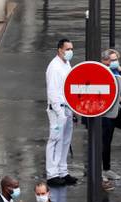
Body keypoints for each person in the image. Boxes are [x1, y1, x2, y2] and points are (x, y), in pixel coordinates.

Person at [45, 39, 77, 188]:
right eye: (67, 49)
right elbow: (53, 92)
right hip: (57, 110)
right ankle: (52, 174)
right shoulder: (54, 67)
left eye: (71, 48)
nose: (70, 51)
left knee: (65, 140)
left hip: (67, 107)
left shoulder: (66, 64)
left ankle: (62, 171)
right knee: (55, 140)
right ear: (59, 50)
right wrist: (59, 112)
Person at [101, 49, 121, 183]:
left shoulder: (117, 72)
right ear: (104, 60)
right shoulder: (102, 72)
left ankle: (106, 168)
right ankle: (99, 170)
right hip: (103, 114)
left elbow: (119, 89)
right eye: (112, 60)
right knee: (102, 142)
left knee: (107, 142)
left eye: (116, 59)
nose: (115, 62)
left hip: (112, 113)